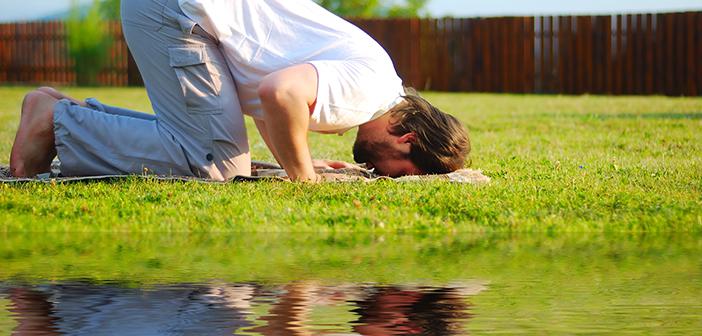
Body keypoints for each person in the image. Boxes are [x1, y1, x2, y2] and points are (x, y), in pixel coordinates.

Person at [10, 0, 470, 181]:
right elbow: (279, 93)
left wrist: (301, 158)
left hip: (180, 11)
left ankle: (59, 111)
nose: (377, 171)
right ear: (407, 140)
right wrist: (302, 179)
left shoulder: (376, 81)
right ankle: (54, 123)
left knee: (219, 154)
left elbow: (272, 105)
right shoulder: (368, 92)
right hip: (178, 13)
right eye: (396, 172)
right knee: (214, 166)